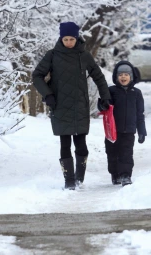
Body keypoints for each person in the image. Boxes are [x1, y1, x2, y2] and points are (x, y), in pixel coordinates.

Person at [32, 22, 111, 190]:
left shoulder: (84, 55)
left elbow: (99, 77)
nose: (69, 42)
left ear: (77, 38)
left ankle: (79, 178)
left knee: (81, 143)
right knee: (65, 143)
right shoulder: (52, 55)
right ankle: (69, 181)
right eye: (65, 39)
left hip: (80, 105)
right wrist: (48, 94)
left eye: (71, 39)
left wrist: (105, 97)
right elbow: (37, 76)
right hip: (60, 105)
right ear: (61, 38)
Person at [102, 60, 147, 187]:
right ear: (116, 76)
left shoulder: (136, 93)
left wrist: (142, 131)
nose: (123, 77)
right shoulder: (111, 91)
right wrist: (103, 104)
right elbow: (103, 107)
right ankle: (115, 174)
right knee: (112, 153)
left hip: (129, 130)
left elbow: (140, 114)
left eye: (126, 74)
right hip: (113, 130)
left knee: (126, 153)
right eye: (120, 74)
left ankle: (126, 175)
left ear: (131, 76)